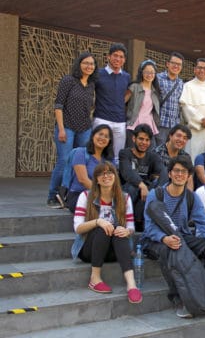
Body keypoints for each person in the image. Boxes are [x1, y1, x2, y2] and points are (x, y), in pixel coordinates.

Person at [141, 155, 205, 318]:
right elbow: (148, 227)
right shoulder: (157, 194)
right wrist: (164, 238)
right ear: (169, 173)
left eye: (184, 172)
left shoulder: (191, 197)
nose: (179, 174)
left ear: (189, 175)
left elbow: (204, 222)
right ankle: (179, 299)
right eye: (176, 171)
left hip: (181, 235)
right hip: (155, 240)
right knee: (169, 250)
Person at [71, 162, 142, 304]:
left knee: (119, 231)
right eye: (101, 173)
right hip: (89, 250)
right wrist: (98, 222)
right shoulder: (86, 196)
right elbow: (78, 228)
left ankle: (131, 284)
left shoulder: (125, 198)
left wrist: (126, 230)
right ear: (96, 179)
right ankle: (95, 278)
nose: (106, 176)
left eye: (110, 172)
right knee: (103, 228)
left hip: (113, 251)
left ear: (115, 176)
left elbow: (131, 227)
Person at [47, 52, 98, 208]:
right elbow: (58, 105)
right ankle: (52, 196)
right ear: (79, 64)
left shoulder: (91, 85)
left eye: (92, 64)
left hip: (84, 129)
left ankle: (69, 195)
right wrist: (61, 129)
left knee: (80, 162)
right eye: (85, 63)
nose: (89, 66)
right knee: (64, 161)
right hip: (67, 127)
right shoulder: (68, 81)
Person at [119, 124, 165, 232]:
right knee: (132, 187)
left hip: (144, 196)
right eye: (141, 139)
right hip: (128, 193)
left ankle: (141, 222)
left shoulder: (153, 156)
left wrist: (153, 191)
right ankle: (124, 221)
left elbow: (163, 172)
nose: (144, 142)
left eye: (147, 140)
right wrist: (142, 185)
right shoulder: (125, 153)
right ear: (134, 138)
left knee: (155, 187)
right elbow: (127, 173)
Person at [93, 43, 131, 164]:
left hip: (120, 121)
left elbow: (129, 93)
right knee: (98, 152)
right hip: (101, 119)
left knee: (117, 157)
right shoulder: (98, 74)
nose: (118, 59)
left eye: (121, 57)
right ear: (108, 57)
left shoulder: (126, 77)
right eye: (115, 55)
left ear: (124, 60)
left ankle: (112, 182)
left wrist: (120, 102)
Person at [65, 124, 115, 213]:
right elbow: (83, 180)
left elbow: (112, 181)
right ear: (93, 136)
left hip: (103, 196)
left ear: (109, 141)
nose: (102, 138)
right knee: (99, 210)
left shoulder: (109, 159)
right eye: (100, 134)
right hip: (79, 195)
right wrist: (102, 194)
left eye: (106, 136)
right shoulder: (81, 153)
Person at [125, 59, 160, 148]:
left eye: (152, 72)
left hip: (149, 126)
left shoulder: (155, 91)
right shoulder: (134, 87)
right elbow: (122, 102)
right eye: (146, 72)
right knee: (133, 153)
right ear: (141, 73)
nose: (149, 75)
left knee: (150, 154)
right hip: (134, 125)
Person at [155, 52, 185, 146]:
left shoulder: (181, 83)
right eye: (173, 63)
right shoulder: (157, 78)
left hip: (174, 126)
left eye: (179, 64)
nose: (176, 66)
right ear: (168, 64)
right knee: (159, 152)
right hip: (160, 124)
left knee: (172, 153)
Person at [153, 123, 194, 190]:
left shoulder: (186, 156)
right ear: (170, 136)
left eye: (185, 138)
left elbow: (189, 179)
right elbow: (155, 177)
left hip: (180, 190)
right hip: (159, 190)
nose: (181, 140)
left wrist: (189, 197)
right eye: (178, 136)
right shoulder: (157, 153)